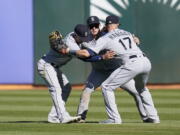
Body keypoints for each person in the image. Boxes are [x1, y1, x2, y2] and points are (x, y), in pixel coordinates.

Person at [69, 15, 160, 124]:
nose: (94, 28)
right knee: (87, 91)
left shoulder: (105, 36)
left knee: (134, 91)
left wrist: (136, 39)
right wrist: (101, 57)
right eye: (91, 26)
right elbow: (84, 57)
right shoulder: (83, 37)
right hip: (99, 70)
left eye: (96, 25)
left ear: (100, 25)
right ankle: (81, 117)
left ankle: (145, 118)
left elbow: (132, 39)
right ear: (87, 27)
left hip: (117, 68)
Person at [37, 25, 114, 123]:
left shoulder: (79, 37)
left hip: (54, 67)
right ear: (75, 35)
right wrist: (102, 57)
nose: (84, 40)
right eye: (82, 38)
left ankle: (53, 116)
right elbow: (85, 57)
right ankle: (63, 116)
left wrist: (103, 33)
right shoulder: (70, 42)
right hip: (46, 65)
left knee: (66, 88)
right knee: (56, 89)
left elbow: (92, 45)